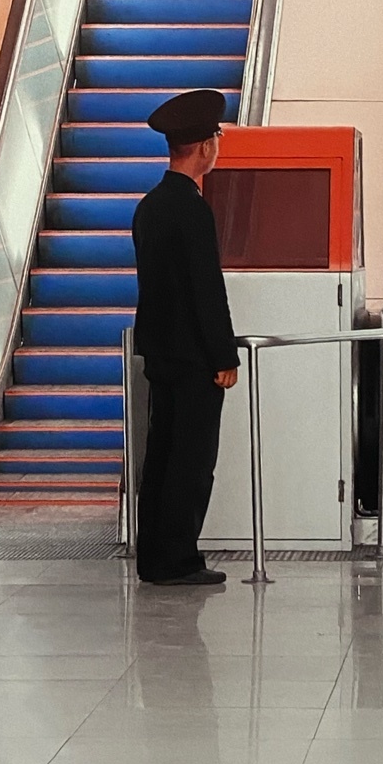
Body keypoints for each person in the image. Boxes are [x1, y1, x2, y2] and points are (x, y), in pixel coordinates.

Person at [131, 88, 240, 587]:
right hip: (195, 358)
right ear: (204, 147)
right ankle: (178, 559)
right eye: (216, 139)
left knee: (161, 456)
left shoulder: (150, 207)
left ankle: (153, 557)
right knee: (191, 462)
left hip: (160, 352)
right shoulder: (192, 210)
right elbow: (205, 289)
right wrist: (224, 354)